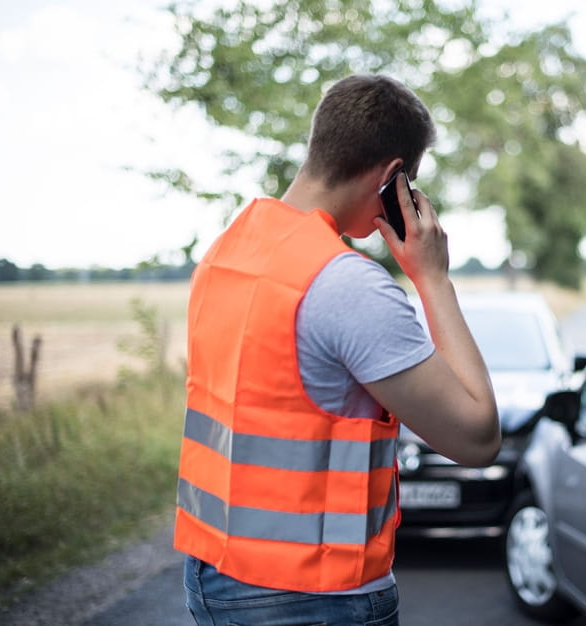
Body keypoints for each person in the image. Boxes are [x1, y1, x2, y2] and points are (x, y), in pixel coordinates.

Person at [174, 74, 500, 626]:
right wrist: (433, 280)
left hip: (213, 572)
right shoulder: (347, 285)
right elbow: (477, 438)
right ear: (393, 176)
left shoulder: (227, 253)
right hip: (310, 596)